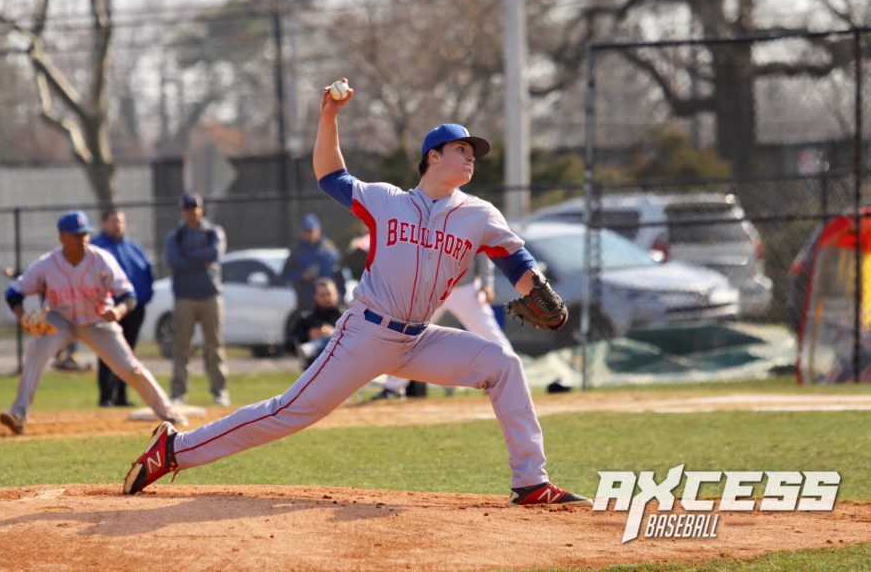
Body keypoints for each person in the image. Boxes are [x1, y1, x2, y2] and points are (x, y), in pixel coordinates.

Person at [123, 80, 590, 507]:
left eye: (474, 152)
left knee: (503, 365)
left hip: (420, 339)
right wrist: (329, 117)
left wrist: (542, 293)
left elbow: (516, 261)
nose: (471, 158)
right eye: (462, 149)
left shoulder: (479, 215)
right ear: (433, 156)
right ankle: (173, 450)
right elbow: (330, 175)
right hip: (364, 334)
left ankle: (531, 482)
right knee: (288, 411)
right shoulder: (388, 201)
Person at [0, 210, 180, 434]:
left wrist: (119, 310)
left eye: (85, 233)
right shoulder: (47, 264)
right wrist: (22, 315)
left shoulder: (101, 259)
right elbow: (13, 293)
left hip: (98, 321)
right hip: (60, 320)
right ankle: (18, 413)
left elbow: (129, 295)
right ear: (62, 237)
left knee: (130, 368)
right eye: (76, 235)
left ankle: (168, 413)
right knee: (37, 350)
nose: (83, 239)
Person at [375, 253, 512, 400]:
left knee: (490, 333)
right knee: (412, 334)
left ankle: (511, 380)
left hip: (466, 288)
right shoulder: (428, 229)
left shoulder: (470, 229)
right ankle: (393, 388)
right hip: (434, 288)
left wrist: (486, 284)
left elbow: (482, 253)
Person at [165, 192, 230, 407]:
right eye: (187, 208)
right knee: (182, 347)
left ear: (201, 209)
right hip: (184, 297)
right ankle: (178, 393)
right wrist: (200, 261)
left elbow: (216, 255)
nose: (191, 212)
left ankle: (219, 391)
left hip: (210, 296)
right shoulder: (175, 237)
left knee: (215, 346)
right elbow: (175, 261)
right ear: (182, 211)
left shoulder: (213, 232)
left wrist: (190, 259)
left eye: (195, 207)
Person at [91, 208, 155, 407]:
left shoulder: (133, 247)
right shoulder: (96, 247)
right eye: (113, 221)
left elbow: (147, 272)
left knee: (128, 353)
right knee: (108, 351)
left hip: (134, 307)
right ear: (104, 223)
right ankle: (105, 396)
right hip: (108, 307)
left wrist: (145, 297)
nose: (118, 224)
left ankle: (122, 396)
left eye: (120, 221)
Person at [281, 213, 341, 310]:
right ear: (301, 232)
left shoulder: (329, 248)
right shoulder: (297, 250)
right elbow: (285, 274)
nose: (310, 234)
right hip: (307, 300)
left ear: (318, 230)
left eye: (312, 230)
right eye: (307, 231)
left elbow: (340, 273)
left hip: (329, 300)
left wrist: (339, 294)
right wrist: (301, 275)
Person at [289, 277, 346, 371]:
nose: (327, 298)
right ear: (315, 296)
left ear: (336, 294)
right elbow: (291, 344)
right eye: (323, 295)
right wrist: (309, 336)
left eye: (329, 294)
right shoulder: (307, 319)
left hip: (342, 364)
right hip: (315, 365)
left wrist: (334, 333)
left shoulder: (345, 317)